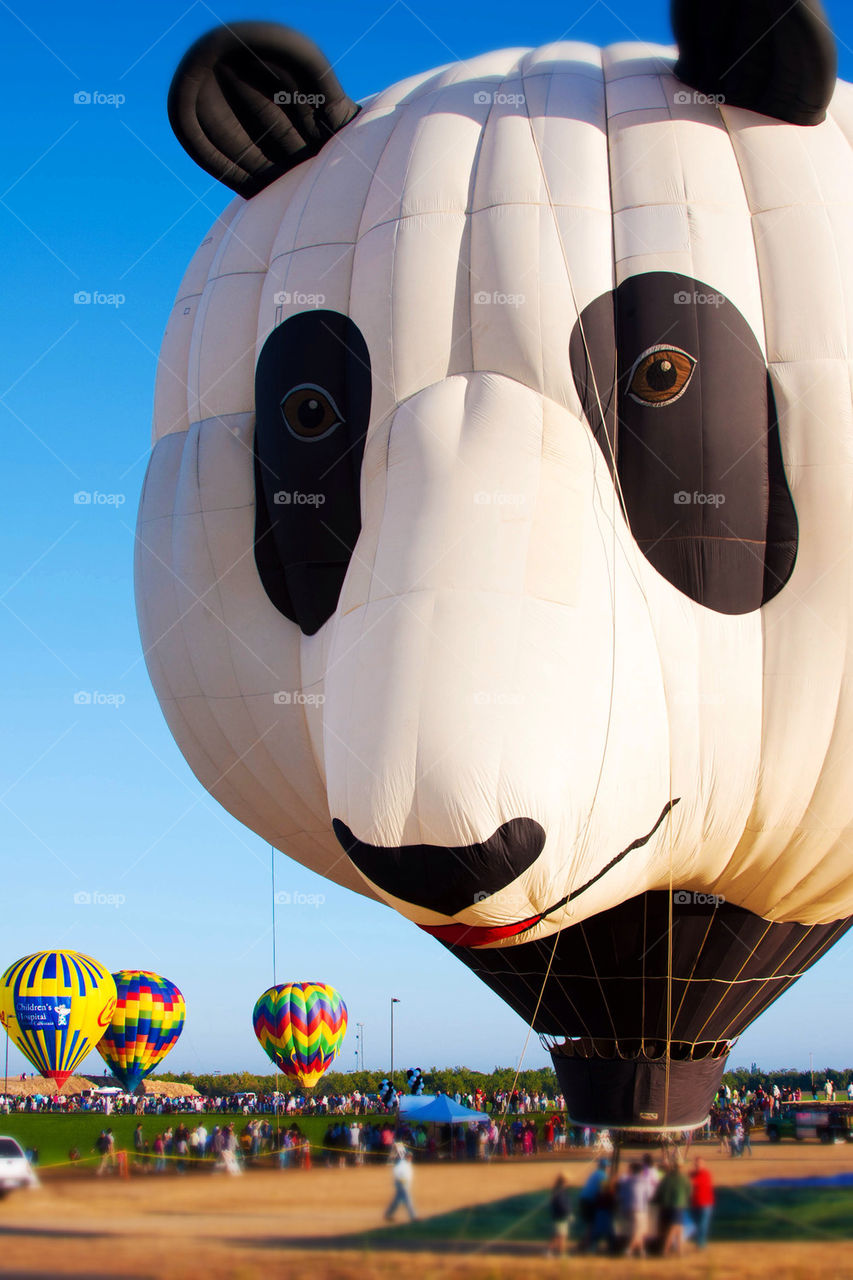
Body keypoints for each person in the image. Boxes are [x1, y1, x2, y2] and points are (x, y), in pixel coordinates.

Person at [656, 1159, 692, 1256]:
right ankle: (665, 1250)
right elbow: (689, 1191)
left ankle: (680, 1251)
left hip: (665, 1205)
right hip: (677, 1205)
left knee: (679, 1229)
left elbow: (660, 1190)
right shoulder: (683, 1178)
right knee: (674, 1228)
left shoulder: (667, 1178)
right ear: (681, 1167)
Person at [385, 1149, 416, 1222]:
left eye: (410, 1157)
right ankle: (413, 1216)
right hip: (401, 1184)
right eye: (408, 1156)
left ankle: (388, 1214)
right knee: (408, 1200)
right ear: (406, 1157)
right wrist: (401, 1180)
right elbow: (396, 1172)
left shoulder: (408, 1164)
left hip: (405, 1184)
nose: (410, 1158)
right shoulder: (402, 1164)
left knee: (396, 1201)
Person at [690, 1157, 715, 1249]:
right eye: (696, 1164)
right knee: (697, 1224)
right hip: (694, 1203)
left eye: (700, 1164)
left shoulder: (706, 1174)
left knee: (703, 1224)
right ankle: (699, 1242)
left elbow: (694, 1184)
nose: (698, 1166)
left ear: (703, 1164)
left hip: (705, 1203)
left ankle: (701, 1244)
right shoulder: (691, 1174)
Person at [547, 1174, 572, 1257]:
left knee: (556, 1235)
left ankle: (549, 1252)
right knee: (562, 1236)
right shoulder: (560, 1191)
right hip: (561, 1217)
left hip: (557, 1216)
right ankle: (561, 1254)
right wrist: (568, 1213)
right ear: (564, 1182)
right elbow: (562, 1204)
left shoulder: (558, 1190)